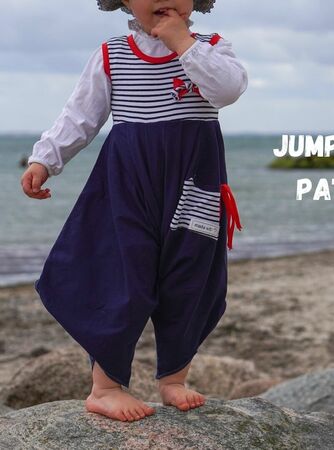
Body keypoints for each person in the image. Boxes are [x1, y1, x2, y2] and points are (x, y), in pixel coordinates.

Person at [20, 0, 248, 423]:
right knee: (122, 275)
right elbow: (80, 115)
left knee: (190, 277)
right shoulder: (113, 53)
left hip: (194, 184)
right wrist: (45, 159)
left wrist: (183, 43)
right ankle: (105, 387)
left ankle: (173, 378)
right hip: (128, 184)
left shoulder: (211, 47)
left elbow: (228, 90)